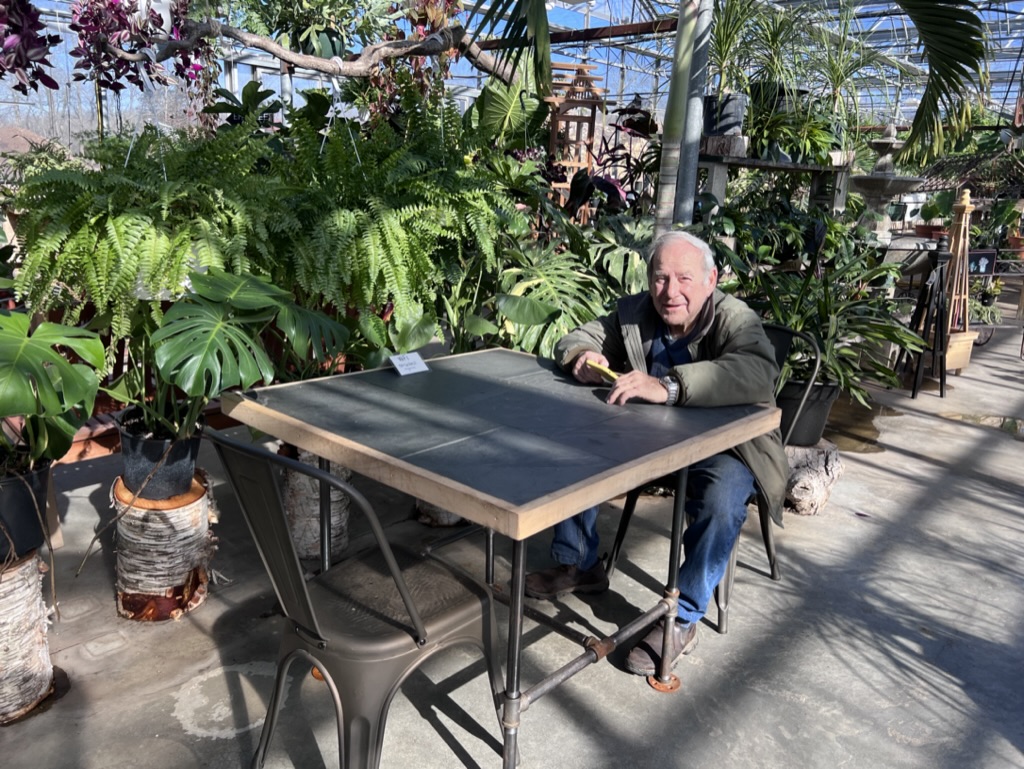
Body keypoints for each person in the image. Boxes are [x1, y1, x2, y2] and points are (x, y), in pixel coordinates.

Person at [524, 229, 789, 676]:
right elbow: (576, 338)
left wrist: (668, 387)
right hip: (645, 441)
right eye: (661, 278)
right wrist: (584, 357)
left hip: (725, 447)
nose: (670, 292)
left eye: (684, 279)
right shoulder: (635, 313)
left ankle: (682, 617)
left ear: (711, 280)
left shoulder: (735, 318)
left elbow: (757, 372)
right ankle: (579, 565)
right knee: (573, 445)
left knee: (724, 499)